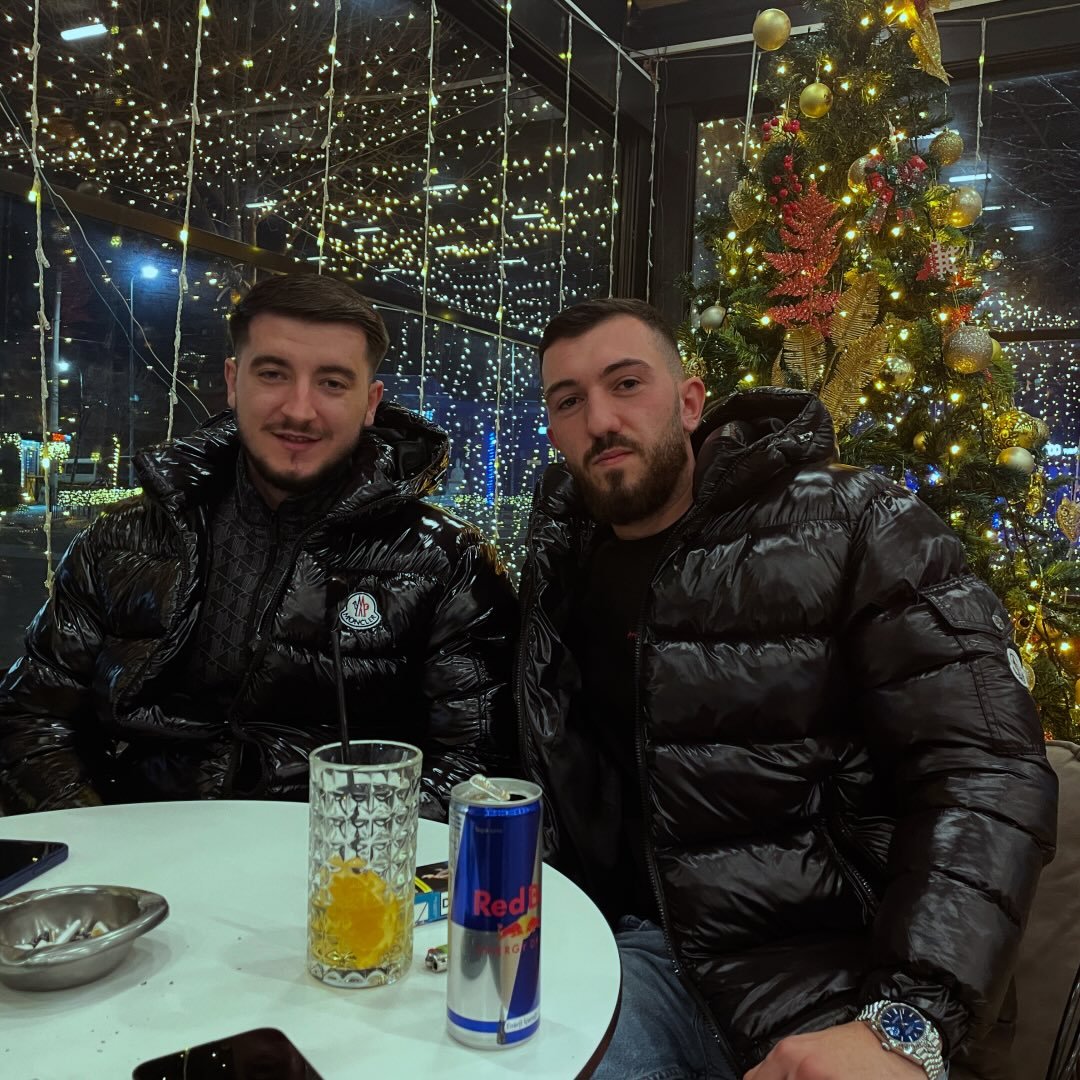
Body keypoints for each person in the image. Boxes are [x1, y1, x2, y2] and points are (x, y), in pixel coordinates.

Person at [517, 297, 1058, 1079]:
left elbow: (987, 770)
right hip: (625, 955)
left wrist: (906, 1021)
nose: (600, 419)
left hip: (831, 981)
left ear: (690, 401)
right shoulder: (559, 564)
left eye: (626, 383)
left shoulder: (855, 521)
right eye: (568, 401)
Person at [0, 273, 517, 818]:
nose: (299, 410)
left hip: (341, 857)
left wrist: (349, 852)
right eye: (273, 374)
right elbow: (31, 718)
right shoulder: (122, 539)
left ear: (370, 403)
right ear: (233, 381)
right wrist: (105, 841)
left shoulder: (445, 560)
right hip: (140, 842)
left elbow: (476, 767)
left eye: (332, 383)